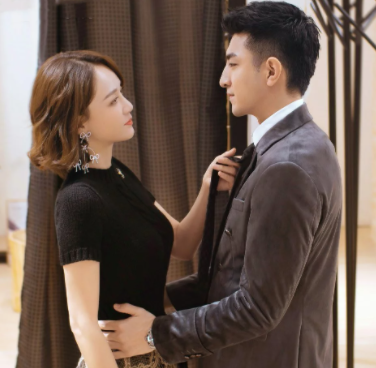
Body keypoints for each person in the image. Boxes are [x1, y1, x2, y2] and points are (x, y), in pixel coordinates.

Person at [102, 1, 343, 368]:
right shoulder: (293, 146)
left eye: (233, 64)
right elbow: (233, 277)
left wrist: (155, 334)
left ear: (271, 71)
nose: (223, 79)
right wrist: (153, 301)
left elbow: (258, 308)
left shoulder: (287, 166)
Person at [27, 50, 240, 368]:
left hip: (159, 349)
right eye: (113, 101)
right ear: (79, 121)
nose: (128, 106)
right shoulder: (78, 201)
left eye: (122, 94)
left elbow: (181, 243)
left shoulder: (117, 173)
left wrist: (208, 187)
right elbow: (82, 323)